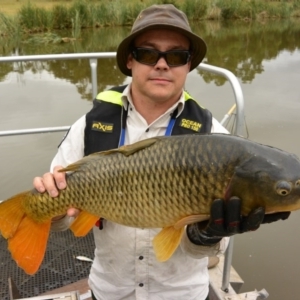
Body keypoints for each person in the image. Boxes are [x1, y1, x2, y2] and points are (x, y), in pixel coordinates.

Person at [33, 4, 290, 300]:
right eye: (148, 53)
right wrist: (51, 208)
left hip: (182, 294)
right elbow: (63, 220)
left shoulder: (214, 137)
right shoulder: (90, 127)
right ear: (130, 60)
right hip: (109, 291)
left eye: (177, 56)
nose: (162, 65)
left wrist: (206, 234)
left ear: (188, 65)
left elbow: (202, 250)